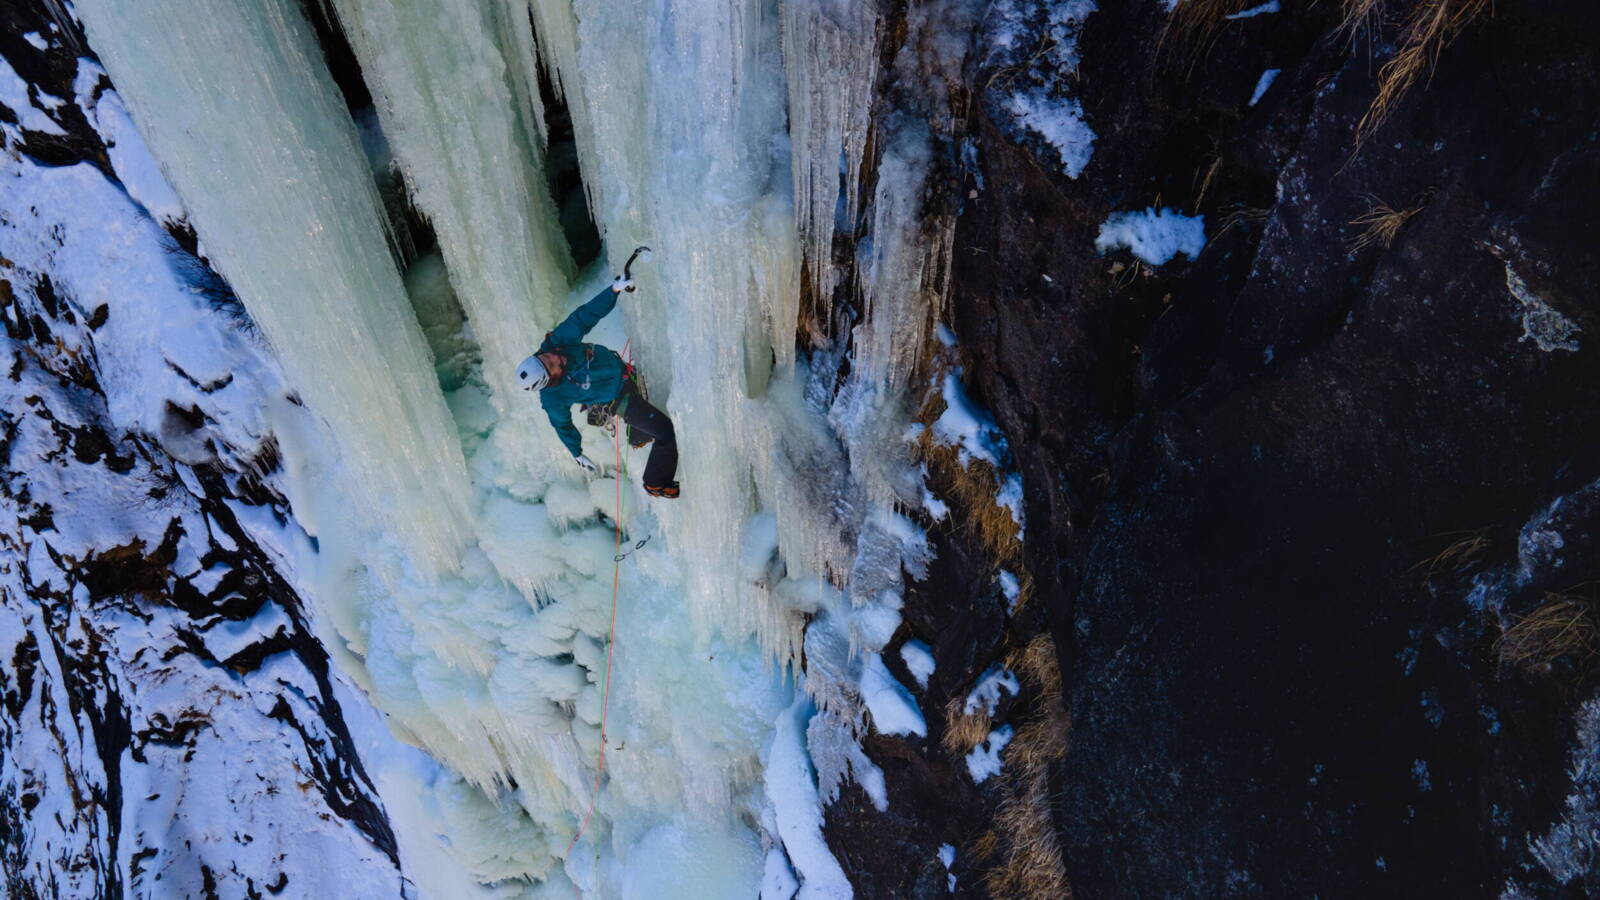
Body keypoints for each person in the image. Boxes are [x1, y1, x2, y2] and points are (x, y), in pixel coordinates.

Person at [515, 275, 679, 498]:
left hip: (621, 371)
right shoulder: (553, 398)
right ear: (549, 381)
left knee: (644, 410)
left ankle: (639, 437)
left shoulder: (557, 343)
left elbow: (584, 317)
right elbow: (562, 425)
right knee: (665, 432)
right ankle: (655, 483)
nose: (554, 357)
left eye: (546, 357)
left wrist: (613, 290)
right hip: (618, 398)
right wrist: (577, 453)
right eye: (552, 365)